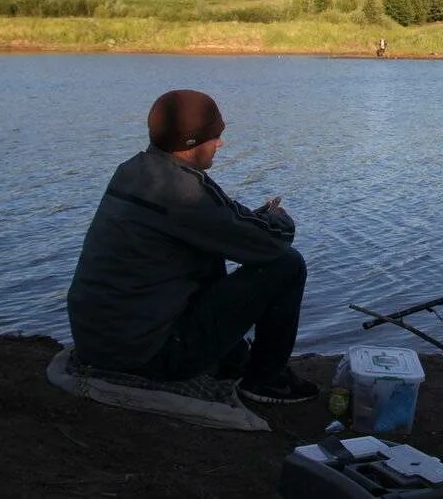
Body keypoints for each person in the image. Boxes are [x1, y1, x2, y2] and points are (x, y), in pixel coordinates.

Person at [67, 89, 318, 404]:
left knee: (206, 256)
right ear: (192, 142)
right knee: (287, 265)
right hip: (144, 355)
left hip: (98, 342)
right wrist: (278, 220)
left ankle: (233, 359)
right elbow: (270, 245)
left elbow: (217, 222)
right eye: (215, 136)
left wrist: (251, 222)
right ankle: (264, 381)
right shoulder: (184, 192)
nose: (220, 143)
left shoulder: (133, 171)